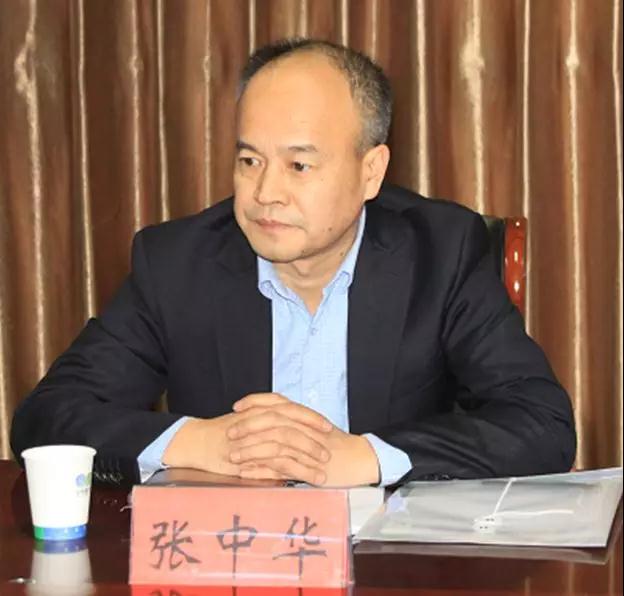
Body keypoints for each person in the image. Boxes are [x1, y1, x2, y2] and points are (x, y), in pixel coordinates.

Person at [10, 39, 576, 488]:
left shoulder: (441, 252)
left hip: (390, 567)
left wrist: (365, 457)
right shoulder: (178, 263)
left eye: (298, 166)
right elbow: (46, 418)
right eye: (249, 160)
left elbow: (541, 423)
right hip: (232, 562)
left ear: (371, 172)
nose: (265, 193)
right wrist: (203, 443)